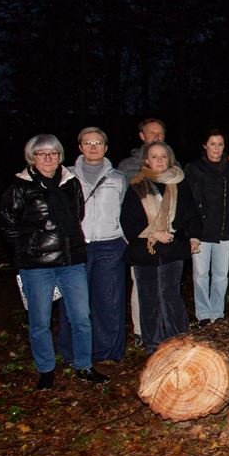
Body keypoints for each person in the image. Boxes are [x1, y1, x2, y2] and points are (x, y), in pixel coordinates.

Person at [0, 134, 109, 389]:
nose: (48, 158)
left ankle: (84, 365)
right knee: (40, 321)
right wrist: (29, 249)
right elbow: (7, 224)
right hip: (37, 266)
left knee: (81, 317)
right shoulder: (20, 186)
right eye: (41, 154)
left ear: (60, 156)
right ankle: (46, 370)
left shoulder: (70, 183)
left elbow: (77, 214)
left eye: (53, 153)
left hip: (71, 263)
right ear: (32, 157)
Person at [120, 141, 201, 354]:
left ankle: (179, 340)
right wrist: (153, 233)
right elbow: (127, 220)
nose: (159, 160)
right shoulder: (137, 185)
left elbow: (191, 214)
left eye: (163, 156)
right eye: (154, 156)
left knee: (170, 294)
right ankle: (153, 344)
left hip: (173, 247)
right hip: (145, 248)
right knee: (149, 297)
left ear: (169, 159)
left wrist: (193, 238)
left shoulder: (179, 183)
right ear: (147, 160)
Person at [58, 128, 128, 364]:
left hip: (110, 246)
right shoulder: (65, 176)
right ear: (80, 147)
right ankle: (72, 353)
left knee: (109, 301)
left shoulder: (118, 177)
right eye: (88, 143)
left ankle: (108, 352)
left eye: (98, 143)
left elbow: (124, 211)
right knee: (74, 303)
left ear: (106, 148)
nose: (93, 147)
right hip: (77, 246)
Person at [184, 129, 229, 326]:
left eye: (220, 144)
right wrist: (190, 225)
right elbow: (186, 199)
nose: (216, 148)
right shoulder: (194, 168)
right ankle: (203, 314)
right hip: (201, 230)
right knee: (201, 275)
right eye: (212, 144)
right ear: (205, 145)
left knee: (221, 275)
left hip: (224, 229)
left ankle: (217, 312)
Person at [118, 118, 167, 347]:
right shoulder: (127, 166)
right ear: (141, 136)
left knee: (165, 284)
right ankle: (140, 330)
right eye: (151, 133)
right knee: (140, 284)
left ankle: (162, 326)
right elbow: (121, 203)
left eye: (160, 134)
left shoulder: (169, 164)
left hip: (165, 234)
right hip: (139, 234)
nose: (156, 137)